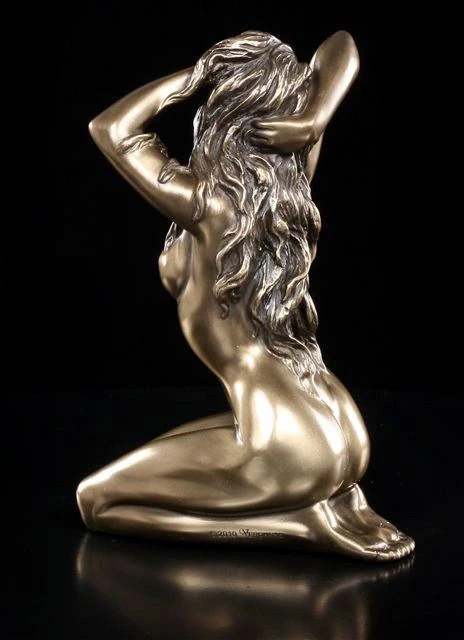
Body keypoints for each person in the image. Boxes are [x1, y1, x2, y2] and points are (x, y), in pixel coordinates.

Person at [77, 30, 415, 561]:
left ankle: (300, 527)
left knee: (96, 501)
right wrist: (314, 120)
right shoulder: (292, 190)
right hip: (334, 418)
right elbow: (340, 47)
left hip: (286, 444)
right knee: (167, 451)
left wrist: (195, 77)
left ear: (224, 111)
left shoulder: (207, 204)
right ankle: (336, 501)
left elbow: (111, 128)